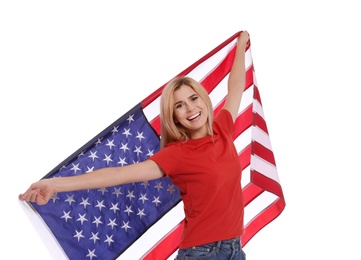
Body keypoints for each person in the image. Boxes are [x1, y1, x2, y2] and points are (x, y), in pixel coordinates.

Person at [19, 30, 250, 260]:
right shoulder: (176, 154)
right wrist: (54, 184)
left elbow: (236, 87)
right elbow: (119, 174)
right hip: (203, 254)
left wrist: (240, 46)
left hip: (235, 250)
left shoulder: (223, 129)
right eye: (179, 105)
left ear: (204, 99)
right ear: (174, 116)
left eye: (193, 98)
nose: (190, 109)